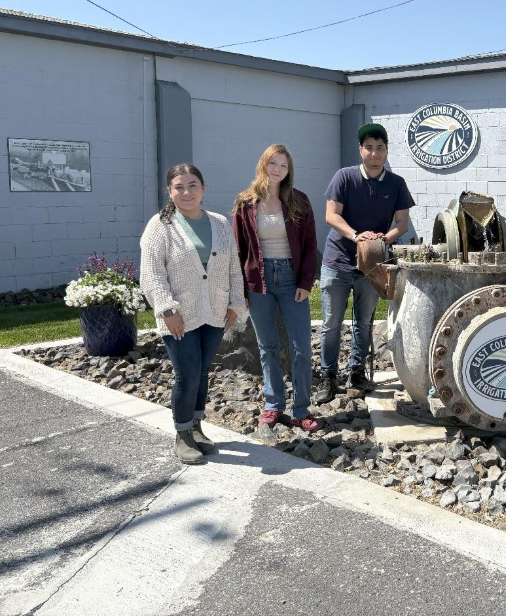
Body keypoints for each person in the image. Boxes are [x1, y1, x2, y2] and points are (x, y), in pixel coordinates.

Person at [140, 164, 244, 465]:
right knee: (186, 375)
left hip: (214, 311)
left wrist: (235, 305)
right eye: (179, 187)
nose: (186, 192)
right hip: (179, 316)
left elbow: (233, 267)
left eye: (193, 185)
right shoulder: (161, 226)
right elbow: (151, 274)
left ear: (204, 188)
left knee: (201, 372)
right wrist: (167, 309)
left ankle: (197, 427)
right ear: (169, 192)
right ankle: (182, 433)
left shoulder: (220, 223)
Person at [319, 123, 414, 400]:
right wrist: (357, 236)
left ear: (387, 151)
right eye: (369, 148)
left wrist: (383, 240)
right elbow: (331, 215)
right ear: (361, 150)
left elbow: (402, 223)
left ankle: (356, 373)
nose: (375, 153)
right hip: (337, 261)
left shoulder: (396, 184)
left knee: (363, 322)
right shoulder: (344, 177)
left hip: (372, 264)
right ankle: (328, 376)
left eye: (380, 148)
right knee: (331, 323)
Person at [233, 144, 321, 436]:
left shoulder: (299, 201)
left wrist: (306, 283)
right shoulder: (246, 202)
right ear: (263, 164)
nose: (277, 170)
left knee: (301, 346)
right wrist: (240, 290)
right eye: (273, 164)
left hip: (290, 278)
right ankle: (273, 404)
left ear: (289, 170)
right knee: (267, 345)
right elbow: (238, 248)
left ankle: (301, 410)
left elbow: (309, 246)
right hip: (258, 279)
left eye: (283, 166)